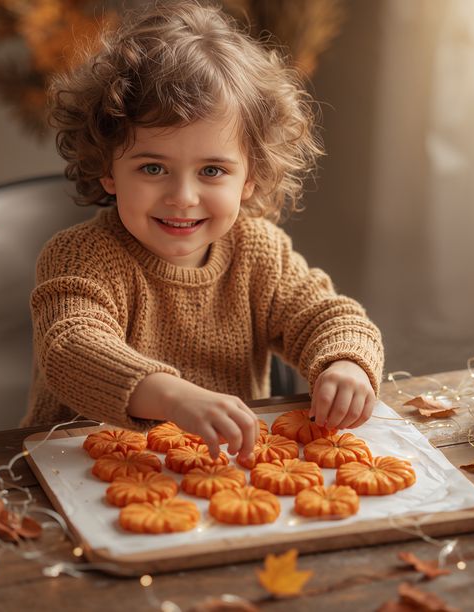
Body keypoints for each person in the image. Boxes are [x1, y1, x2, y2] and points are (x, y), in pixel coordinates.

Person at [23, 1, 384, 463]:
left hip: (221, 472)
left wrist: (346, 363)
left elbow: (327, 316)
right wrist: (175, 398)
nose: (183, 196)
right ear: (107, 169)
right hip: (84, 470)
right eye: (153, 167)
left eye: (212, 170)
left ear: (251, 177)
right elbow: (71, 348)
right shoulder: (79, 256)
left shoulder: (259, 253)